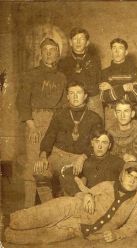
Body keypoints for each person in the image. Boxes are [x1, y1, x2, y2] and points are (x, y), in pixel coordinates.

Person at [5, 161, 137, 245]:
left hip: (79, 229)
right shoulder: (108, 185)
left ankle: (4, 235)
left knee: (44, 237)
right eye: (129, 175)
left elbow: (133, 225)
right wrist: (87, 195)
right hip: (74, 207)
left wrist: (116, 234)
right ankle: (7, 219)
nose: (131, 180)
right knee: (42, 215)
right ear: (122, 175)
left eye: (136, 179)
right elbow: (86, 193)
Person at [16, 38, 67, 208]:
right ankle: (28, 209)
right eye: (45, 49)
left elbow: (64, 104)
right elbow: (22, 101)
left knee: (49, 164)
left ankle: (47, 210)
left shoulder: (61, 77)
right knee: (33, 164)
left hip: (56, 122)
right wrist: (31, 126)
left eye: (52, 49)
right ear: (41, 52)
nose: (49, 53)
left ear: (58, 53)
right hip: (36, 121)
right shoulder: (31, 74)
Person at [34, 80, 103, 203]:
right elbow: (49, 136)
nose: (75, 96)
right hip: (58, 156)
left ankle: (66, 209)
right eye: (71, 93)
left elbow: (97, 144)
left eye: (79, 93)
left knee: (69, 180)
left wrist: (82, 158)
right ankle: (49, 207)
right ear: (67, 96)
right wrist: (43, 155)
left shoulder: (94, 118)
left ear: (85, 96)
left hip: (79, 159)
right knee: (40, 171)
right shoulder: (60, 114)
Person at [60, 124, 124, 195]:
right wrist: (78, 193)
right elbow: (64, 174)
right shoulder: (86, 162)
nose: (100, 146)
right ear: (92, 143)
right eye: (97, 141)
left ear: (109, 146)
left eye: (104, 143)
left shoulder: (117, 162)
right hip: (87, 200)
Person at [58, 27, 103, 118]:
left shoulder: (95, 60)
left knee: (97, 126)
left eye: (82, 39)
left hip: (92, 100)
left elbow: (98, 81)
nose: (78, 42)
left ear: (87, 42)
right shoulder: (63, 62)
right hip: (72, 101)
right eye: (75, 39)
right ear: (70, 42)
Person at [100, 38, 137, 129]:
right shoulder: (104, 73)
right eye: (114, 48)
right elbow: (104, 97)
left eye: (120, 48)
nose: (117, 51)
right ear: (111, 51)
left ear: (126, 52)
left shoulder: (135, 71)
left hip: (131, 113)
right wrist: (124, 88)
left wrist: (112, 88)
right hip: (111, 114)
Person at [107, 99, 137, 163]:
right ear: (115, 114)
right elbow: (111, 152)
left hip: (136, 161)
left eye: (126, 111)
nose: (122, 115)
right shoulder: (110, 131)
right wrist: (123, 156)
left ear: (132, 114)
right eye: (119, 111)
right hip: (118, 163)